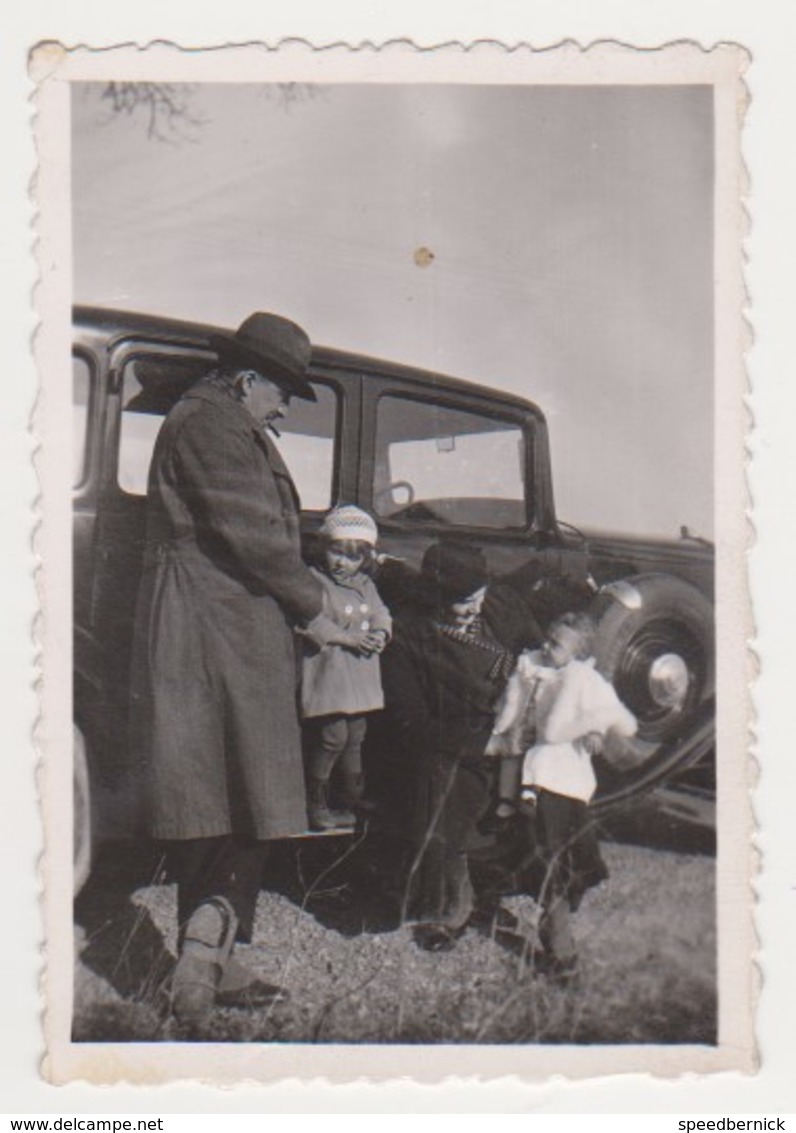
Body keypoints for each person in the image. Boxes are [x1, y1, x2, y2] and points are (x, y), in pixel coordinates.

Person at [130, 311, 345, 1024]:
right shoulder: (213, 425)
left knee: (232, 793)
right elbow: (253, 533)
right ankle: (197, 971)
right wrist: (320, 607)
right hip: (211, 628)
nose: (286, 407)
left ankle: (211, 960)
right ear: (248, 379)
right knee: (224, 794)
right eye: (283, 392)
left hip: (227, 625)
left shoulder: (222, 420)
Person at [379, 541, 521, 952]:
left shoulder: (498, 610)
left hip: (509, 723)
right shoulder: (409, 638)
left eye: (478, 598)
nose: (474, 609)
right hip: (452, 740)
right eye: (462, 603)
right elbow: (411, 722)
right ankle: (449, 904)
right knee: (444, 786)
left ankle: (542, 902)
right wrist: (483, 744)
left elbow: (536, 646)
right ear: (437, 597)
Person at [489, 611, 637, 981]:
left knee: (582, 856)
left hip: (572, 777)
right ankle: (561, 944)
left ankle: (555, 918)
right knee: (552, 856)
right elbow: (512, 710)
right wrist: (506, 733)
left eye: (557, 643)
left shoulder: (583, 678)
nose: (546, 645)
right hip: (539, 770)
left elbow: (607, 711)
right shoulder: (531, 667)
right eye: (549, 637)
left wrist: (597, 729)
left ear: (578, 651)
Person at [300, 505, 392, 829]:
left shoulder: (366, 584)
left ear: (365, 558)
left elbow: (381, 613)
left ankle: (350, 801)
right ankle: (315, 802)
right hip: (331, 673)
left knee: (356, 736)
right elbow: (309, 621)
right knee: (332, 737)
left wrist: (380, 632)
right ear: (324, 548)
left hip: (360, 676)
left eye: (353, 557)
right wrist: (348, 639)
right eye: (336, 552)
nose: (343, 562)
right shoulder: (315, 581)